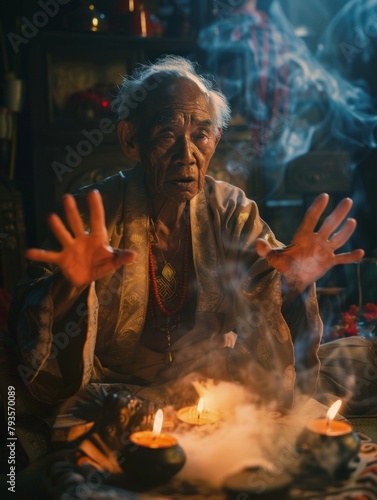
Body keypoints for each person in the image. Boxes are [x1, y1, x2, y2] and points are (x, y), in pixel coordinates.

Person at [5, 55, 363, 464]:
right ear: (130, 140)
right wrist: (68, 286)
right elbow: (29, 325)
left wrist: (296, 281)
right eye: (165, 134)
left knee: (360, 360)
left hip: (210, 388)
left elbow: (267, 306)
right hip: (109, 389)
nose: (187, 154)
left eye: (201, 135)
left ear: (217, 138)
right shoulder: (97, 212)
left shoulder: (233, 210)